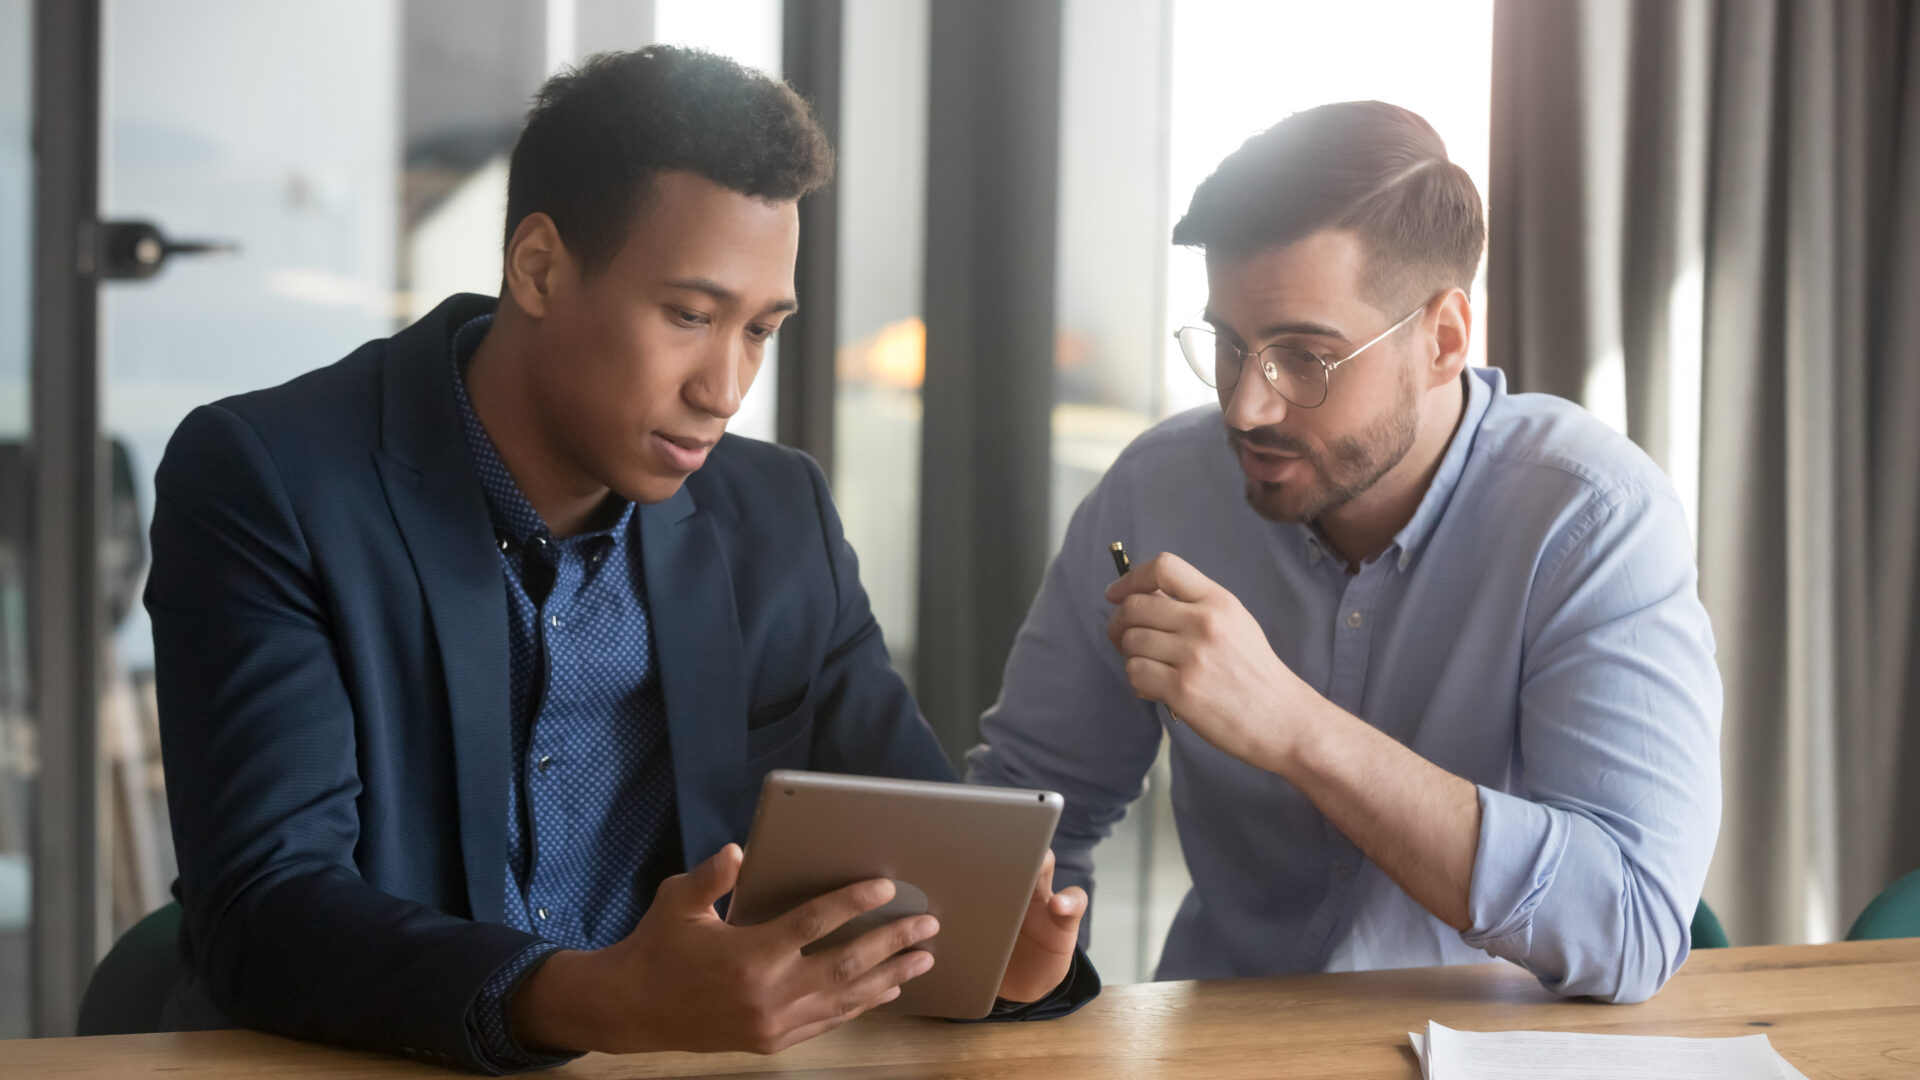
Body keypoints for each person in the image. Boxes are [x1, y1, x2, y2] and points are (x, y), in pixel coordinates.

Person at [148, 46, 1094, 1074]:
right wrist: (597, 999)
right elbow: (267, 913)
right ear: (539, 266)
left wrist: (1005, 966)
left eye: (762, 329)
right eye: (689, 315)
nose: (725, 389)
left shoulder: (777, 517)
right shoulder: (270, 482)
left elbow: (928, 870)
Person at [968, 101, 1721, 1003]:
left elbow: (1632, 926)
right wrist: (1022, 978)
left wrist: (1295, 727)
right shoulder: (1158, 491)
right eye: (1231, 345)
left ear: (1443, 339)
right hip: (1217, 1052)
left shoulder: (1593, 522)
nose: (1247, 405)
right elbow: (1027, 810)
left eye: (1305, 358)